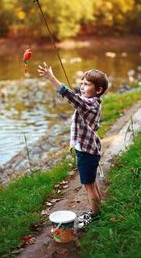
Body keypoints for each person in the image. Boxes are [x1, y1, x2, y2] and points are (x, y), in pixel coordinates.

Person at [38, 62, 108, 227]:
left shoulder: (89, 104)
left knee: (88, 186)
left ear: (98, 90)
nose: (82, 87)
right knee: (91, 183)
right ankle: (98, 210)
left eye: (87, 84)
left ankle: (96, 216)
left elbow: (69, 96)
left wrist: (51, 77)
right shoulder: (91, 102)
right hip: (89, 150)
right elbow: (77, 99)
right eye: (81, 83)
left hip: (87, 152)